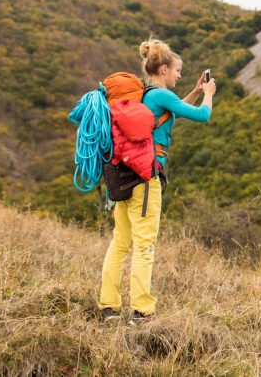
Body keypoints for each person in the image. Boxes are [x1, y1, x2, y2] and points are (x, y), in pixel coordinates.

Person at [98, 38, 216, 324]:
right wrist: (209, 94)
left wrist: (195, 91)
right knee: (144, 244)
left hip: (123, 176)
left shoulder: (147, 94)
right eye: (177, 70)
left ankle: (108, 307)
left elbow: (173, 112)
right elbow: (203, 115)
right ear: (164, 69)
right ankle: (142, 311)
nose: (179, 75)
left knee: (120, 242)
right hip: (145, 178)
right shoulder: (161, 95)